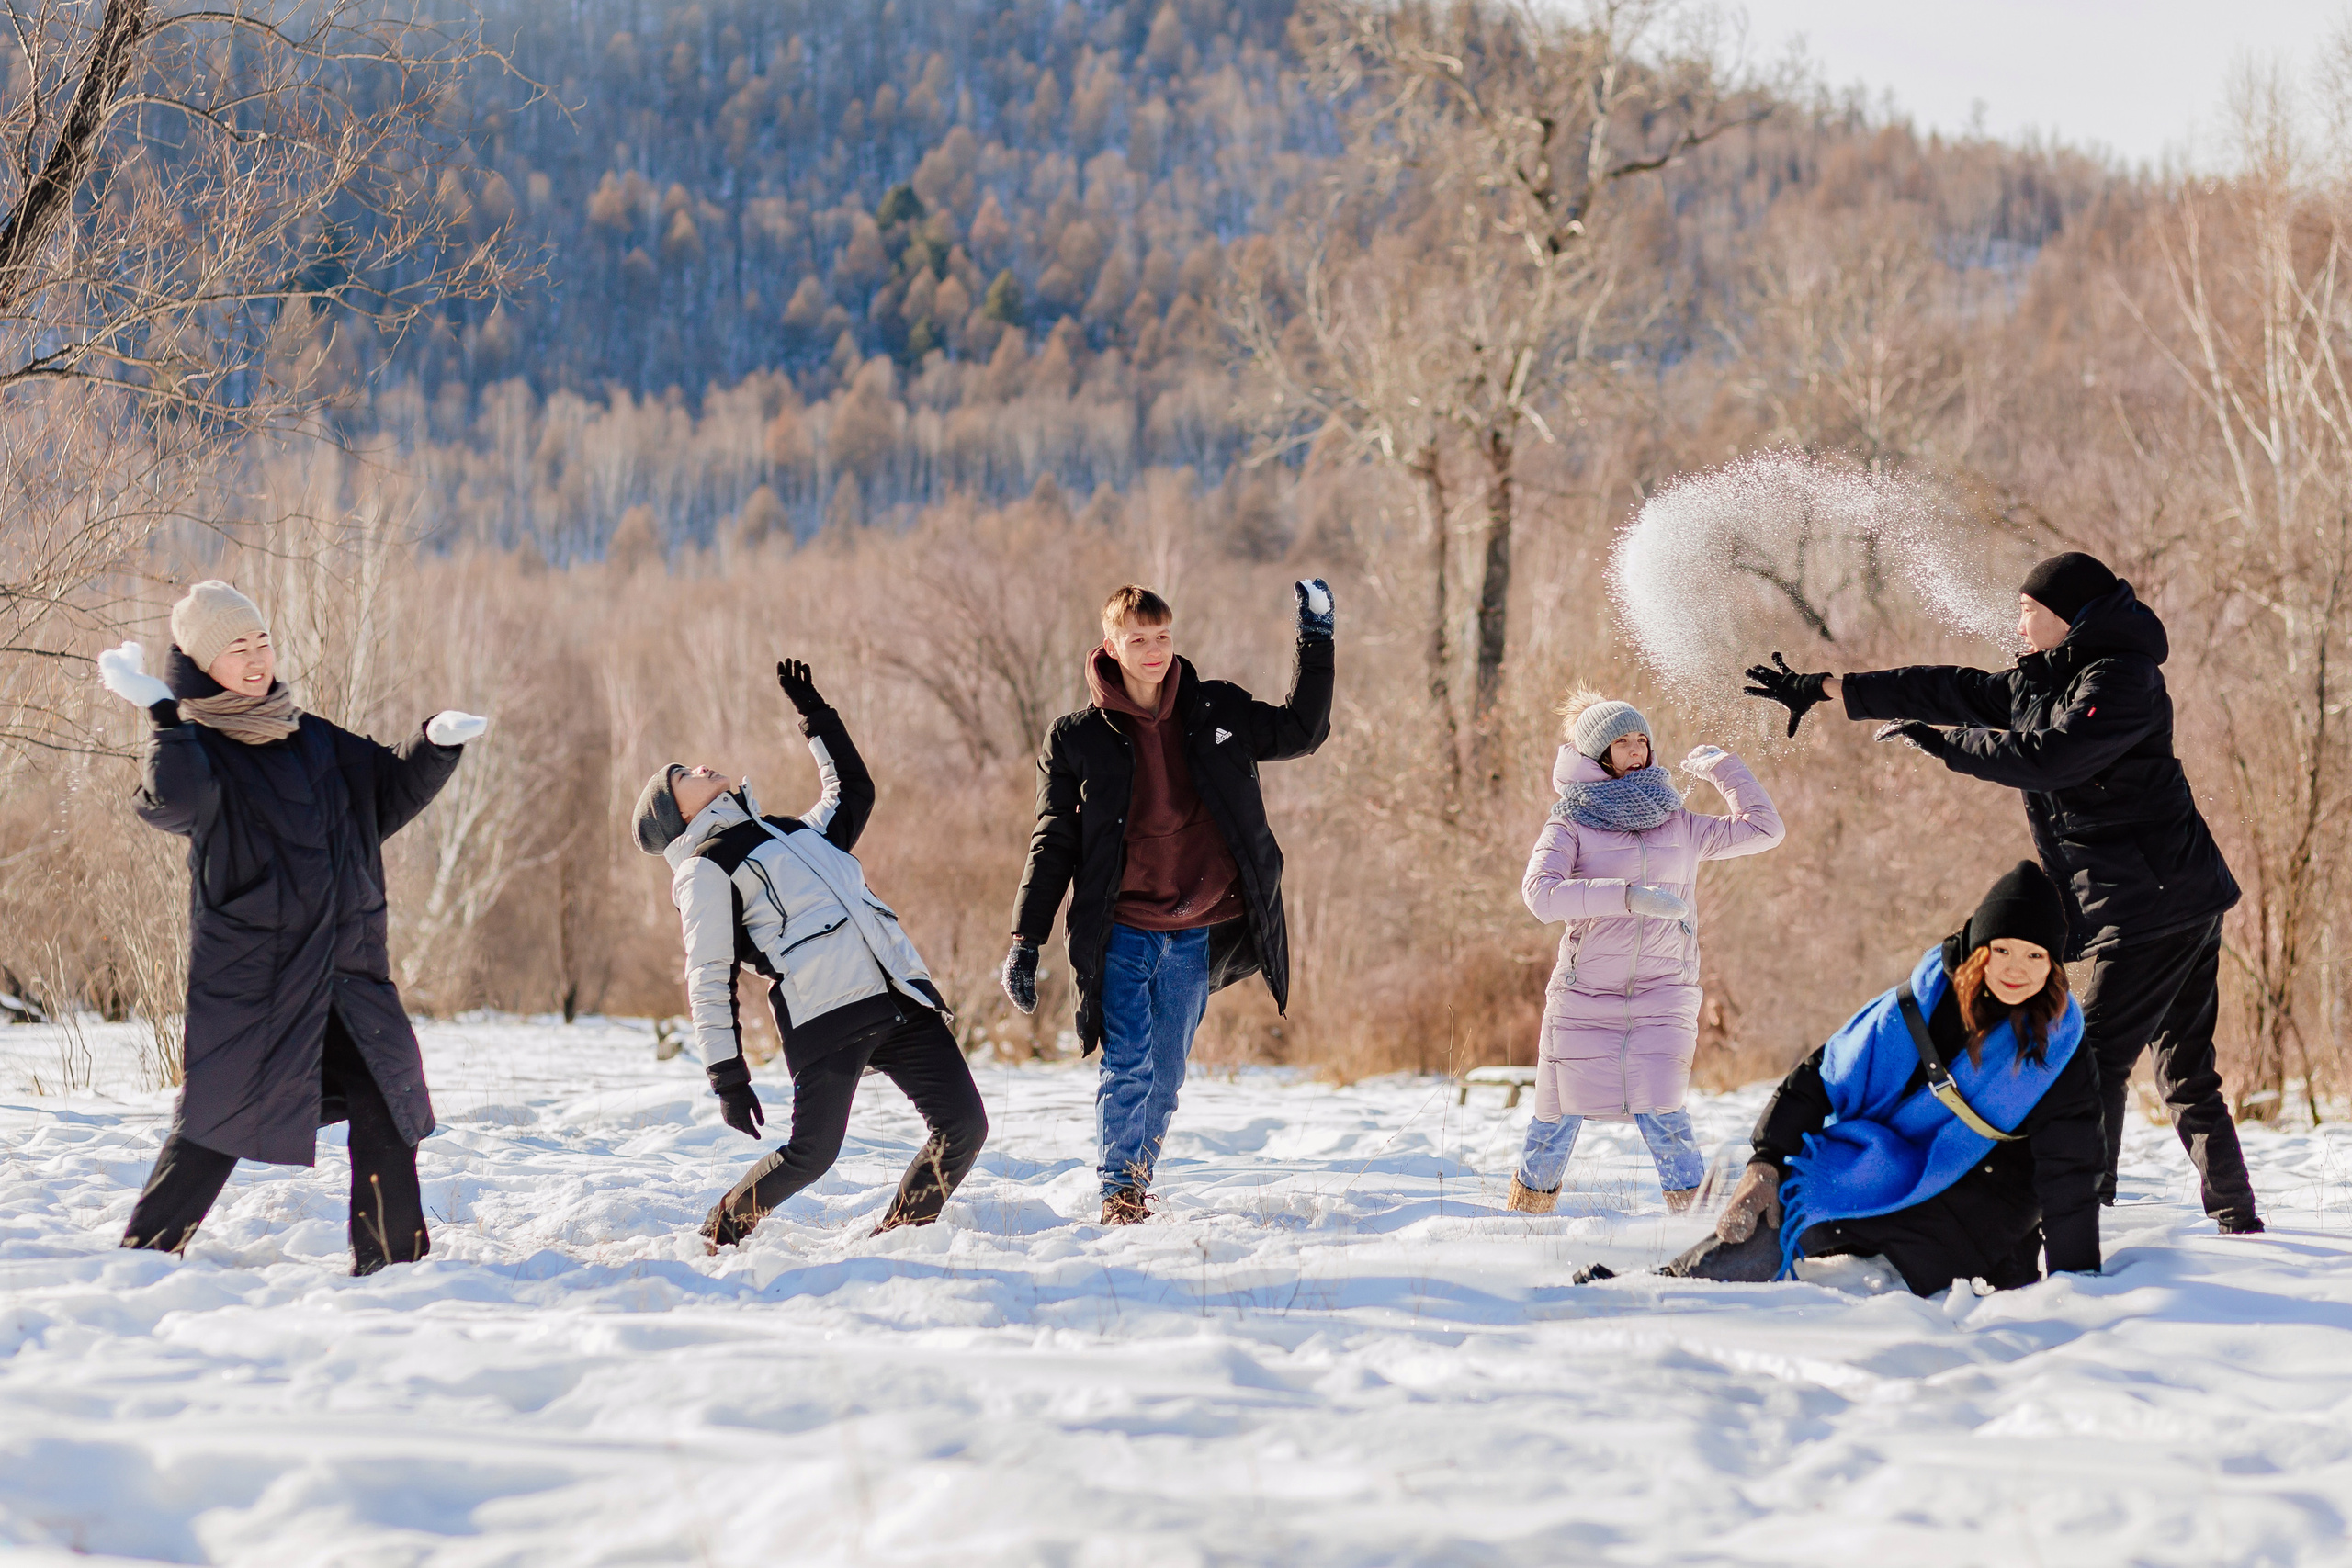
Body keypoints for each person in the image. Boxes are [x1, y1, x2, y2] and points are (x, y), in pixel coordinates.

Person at [1741, 551, 2261, 1235]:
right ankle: (2235, 1216)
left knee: (2091, 1059)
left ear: (2065, 615)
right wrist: (1830, 689)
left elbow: (2054, 757)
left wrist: (1948, 746)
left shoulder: (2123, 679)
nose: (2018, 622)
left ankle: (2083, 1212)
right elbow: (1946, 688)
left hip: (2153, 901)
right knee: (2185, 1068)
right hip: (2160, 896)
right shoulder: (2046, 680)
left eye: (2028, 609)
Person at [96, 581, 486, 1274]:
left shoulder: (314, 738)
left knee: (387, 1104)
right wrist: (161, 713)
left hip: (346, 971)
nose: (255, 658)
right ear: (201, 664)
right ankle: (147, 1253)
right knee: (215, 1122)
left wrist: (432, 745)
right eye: (235, 648)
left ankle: (393, 1265)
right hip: (260, 977)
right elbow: (172, 802)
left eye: (262, 642)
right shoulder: (199, 746)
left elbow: (382, 793)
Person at [1597, 862, 2102, 1296]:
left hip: (1982, 1205)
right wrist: (1766, 1160)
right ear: (1978, 950)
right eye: (2003, 950)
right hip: (1884, 1163)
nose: (2016, 969)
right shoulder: (1921, 1002)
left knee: (1905, 1256)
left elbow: (2071, 1169)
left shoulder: (2058, 1046)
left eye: (2035, 955)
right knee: (1785, 1203)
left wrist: (2075, 1283)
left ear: (2053, 965)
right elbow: (1822, 1075)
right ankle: (1660, 1288)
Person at [1003, 580, 1334, 1224]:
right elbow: (1053, 841)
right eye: (1139, 639)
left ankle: (1135, 1179)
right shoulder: (1075, 738)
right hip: (1123, 926)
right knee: (1128, 1061)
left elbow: (1301, 731)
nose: (1154, 650)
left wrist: (1316, 640)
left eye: (1163, 636)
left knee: (1166, 1074)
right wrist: (1025, 939)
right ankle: (1119, 1193)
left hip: (1198, 925)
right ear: (1111, 646)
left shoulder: (1215, 710)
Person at [639, 659, 987, 1247]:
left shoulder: (791, 832)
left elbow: (853, 791)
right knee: (812, 1154)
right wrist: (727, 1077)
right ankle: (716, 1235)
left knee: (964, 1127)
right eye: (681, 776)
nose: (698, 767)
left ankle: (898, 1238)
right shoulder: (704, 869)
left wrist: (816, 716)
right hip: (828, 1018)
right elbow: (709, 976)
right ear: (680, 814)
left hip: (898, 996)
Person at [1509, 692, 1783, 1214]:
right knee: (1556, 1117)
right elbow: (1540, 895)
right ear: (1598, 754)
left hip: (1665, 992)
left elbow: (1765, 830)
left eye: (1642, 740)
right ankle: (1525, 1222)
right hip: (1584, 996)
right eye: (1622, 742)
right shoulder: (1569, 823)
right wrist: (1628, 898)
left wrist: (1725, 769)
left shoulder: (1678, 822)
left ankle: (1696, 1229)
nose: (1636, 750)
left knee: (1666, 1113)